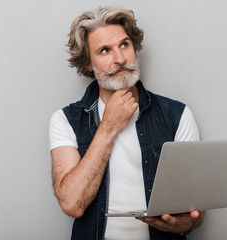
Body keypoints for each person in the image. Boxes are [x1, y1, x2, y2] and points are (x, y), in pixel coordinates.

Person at [49, 6, 205, 240]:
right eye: (104, 50)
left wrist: (183, 224)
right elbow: (72, 203)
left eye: (124, 45)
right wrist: (109, 126)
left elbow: (198, 211)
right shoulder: (65, 120)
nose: (120, 59)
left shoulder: (177, 115)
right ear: (89, 63)